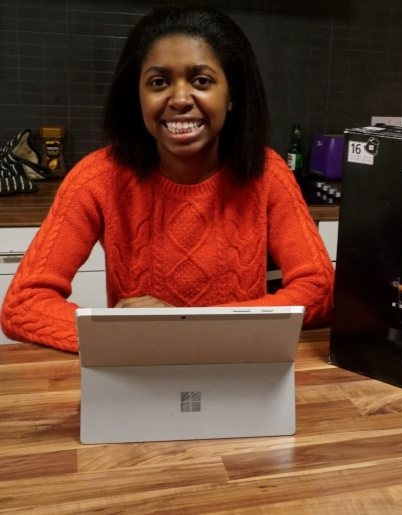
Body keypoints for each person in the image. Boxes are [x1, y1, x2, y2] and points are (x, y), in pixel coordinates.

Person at [0, 5, 334, 353]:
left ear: (231, 96)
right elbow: (23, 305)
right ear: (137, 96)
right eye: (159, 82)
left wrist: (183, 330)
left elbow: (320, 290)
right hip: (138, 369)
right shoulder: (96, 179)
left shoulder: (267, 173)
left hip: (238, 363)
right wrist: (116, 332)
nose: (180, 99)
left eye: (201, 81)